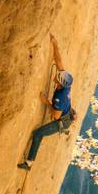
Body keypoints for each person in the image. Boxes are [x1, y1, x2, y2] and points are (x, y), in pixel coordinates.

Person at [18, 33, 76, 171]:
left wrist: (46, 101)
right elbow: (59, 62)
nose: (56, 74)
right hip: (65, 114)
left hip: (61, 122)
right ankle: (29, 162)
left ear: (60, 84)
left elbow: (56, 116)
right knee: (39, 133)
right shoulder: (65, 83)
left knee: (38, 133)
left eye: (58, 76)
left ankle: (28, 164)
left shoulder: (60, 97)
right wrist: (55, 44)